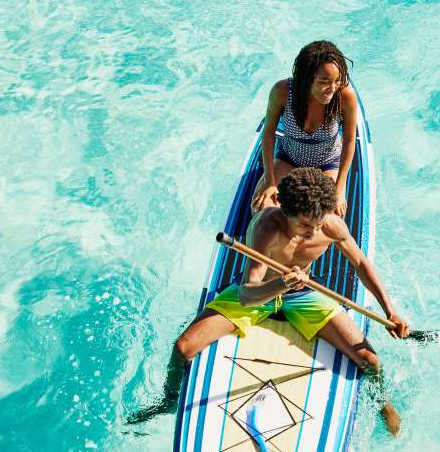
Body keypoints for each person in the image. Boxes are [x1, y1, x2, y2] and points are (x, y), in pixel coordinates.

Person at [130, 167, 411, 434]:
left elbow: (360, 263)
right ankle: (168, 402)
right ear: (285, 211)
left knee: (370, 361)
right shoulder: (265, 228)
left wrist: (391, 311)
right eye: (304, 225)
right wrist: (280, 283)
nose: (313, 232)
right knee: (183, 348)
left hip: (302, 296)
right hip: (262, 293)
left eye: (319, 223)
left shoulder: (331, 226)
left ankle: (383, 406)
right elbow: (247, 293)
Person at [251, 41, 360, 217]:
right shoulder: (282, 92)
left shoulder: (345, 96)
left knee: (329, 219)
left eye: (337, 81)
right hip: (289, 159)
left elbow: (349, 141)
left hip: (327, 164)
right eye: (324, 81)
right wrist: (270, 180)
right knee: (262, 210)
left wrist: (340, 189)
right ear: (305, 78)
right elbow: (269, 134)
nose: (332, 89)